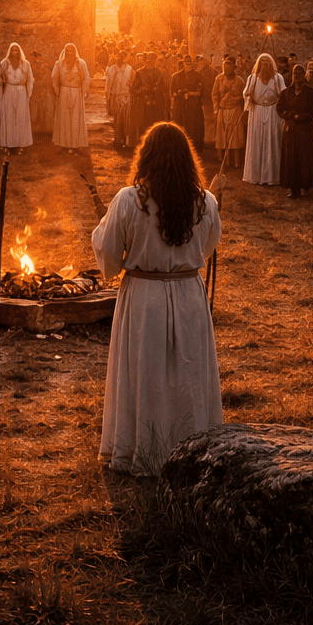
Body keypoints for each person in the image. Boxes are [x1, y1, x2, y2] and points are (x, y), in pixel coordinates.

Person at [90, 122, 222, 476]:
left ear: (146, 155)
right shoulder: (205, 201)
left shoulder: (129, 200)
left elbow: (110, 257)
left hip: (144, 297)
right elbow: (207, 248)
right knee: (187, 370)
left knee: (145, 374)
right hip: (188, 294)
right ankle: (188, 442)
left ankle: (143, 446)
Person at [242, 53, 285, 185]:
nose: (265, 66)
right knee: (256, 141)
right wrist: (248, 96)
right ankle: (255, 175)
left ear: (271, 65)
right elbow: (245, 93)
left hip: (272, 112)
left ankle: (271, 176)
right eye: (262, 64)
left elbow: (283, 94)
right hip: (257, 112)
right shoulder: (253, 78)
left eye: (267, 64)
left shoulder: (277, 78)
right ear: (259, 65)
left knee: (272, 142)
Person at [277, 65, 313, 198]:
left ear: (304, 75)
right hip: (290, 130)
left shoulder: (311, 93)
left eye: (300, 74)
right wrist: (287, 115)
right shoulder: (286, 93)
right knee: (291, 159)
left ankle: (305, 187)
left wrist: (299, 117)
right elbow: (279, 108)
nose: (297, 76)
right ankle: (293, 189)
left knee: (304, 160)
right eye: (295, 74)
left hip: (304, 131)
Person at [0, 43, 34, 152]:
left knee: (21, 117)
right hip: (9, 90)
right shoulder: (4, 63)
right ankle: (7, 143)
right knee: (8, 117)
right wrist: (1, 82)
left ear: (19, 51)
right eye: (13, 50)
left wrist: (28, 94)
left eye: (16, 50)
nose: (15, 52)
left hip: (21, 91)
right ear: (10, 51)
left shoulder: (26, 64)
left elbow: (30, 79)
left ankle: (20, 143)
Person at [52, 44, 91, 151]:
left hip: (76, 92)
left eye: (71, 50)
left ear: (75, 51)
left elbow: (87, 78)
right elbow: (54, 77)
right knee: (64, 118)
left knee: (75, 118)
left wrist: (83, 91)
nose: (69, 52)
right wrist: (58, 91)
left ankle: (75, 144)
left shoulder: (80, 63)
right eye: (67, 50)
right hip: (64, 92)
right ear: (64, 51)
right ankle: (63, 144)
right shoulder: (59, 64)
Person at [211, 57, 247, 171]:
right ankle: (223, 161)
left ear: (234, 67)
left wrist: (236, 99)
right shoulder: (219, 79)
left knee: (234, 135)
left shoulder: (239, 81)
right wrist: (216, 109)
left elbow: (244, 96)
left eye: (228, 66)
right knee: (223, 134)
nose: (226, 68)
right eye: (224, 66)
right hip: (222, 109)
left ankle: (236, 162)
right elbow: (215, 94)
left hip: (235, 110)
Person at [171, 56, 206, 154]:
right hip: (180, 107)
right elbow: (173, 93)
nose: (188, 63)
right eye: (186, 61)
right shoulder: (176, 76)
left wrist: (189, 93)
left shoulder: (198, 75)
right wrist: (179, 96)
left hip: (193, 107)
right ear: (182, 63)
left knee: (194, 128)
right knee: (180, 127)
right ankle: (179, 149)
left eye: (189, 61)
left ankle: (194, 150)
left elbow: (199, 92)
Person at [104, 49, 134, 150]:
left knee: (126, 119)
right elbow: (108, 83)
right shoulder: (112, 68)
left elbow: (131, 82)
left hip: (126, 96)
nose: (119, 58)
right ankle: (118, 139)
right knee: (116, 120)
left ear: (125, 58)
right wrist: (108, 96)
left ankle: (126, 139)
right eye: (118, 56)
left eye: (122, 56)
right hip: (115, 96)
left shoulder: (129, 68)